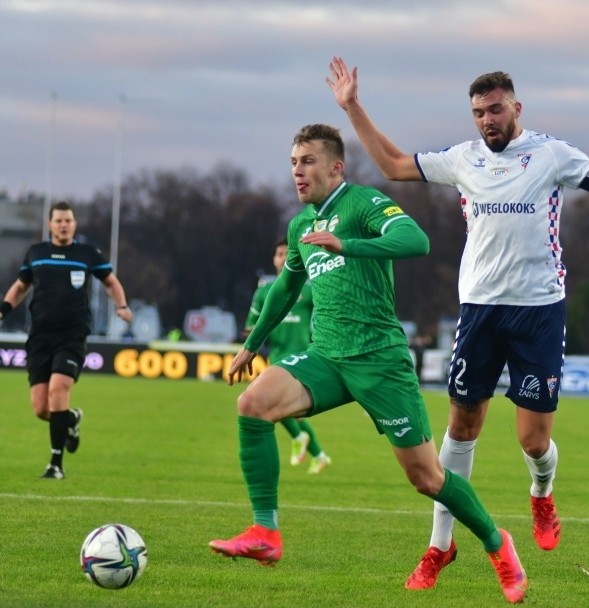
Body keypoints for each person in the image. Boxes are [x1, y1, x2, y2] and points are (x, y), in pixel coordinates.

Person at [326, 56, 589, 587]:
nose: (486, 120)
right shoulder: (463, 159)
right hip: (480, 311)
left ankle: (541, 494)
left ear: (516, 107)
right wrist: (352, 106)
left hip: (539, 311)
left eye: (494, 110)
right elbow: (394, 165)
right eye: (477, 113)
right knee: (461, 429)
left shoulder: (552, 155)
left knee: (533, 442)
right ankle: (438, 546)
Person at [209, 124, 528, 604]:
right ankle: (265, 532)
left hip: (380, 361)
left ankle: (495, 542)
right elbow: (285, 289)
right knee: (253, 403)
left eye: (308, 161)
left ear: (336, 166)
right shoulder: (301, 227)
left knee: (427, 478)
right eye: (293, 162)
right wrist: (252, 344)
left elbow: (415, 240)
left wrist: (350, 245)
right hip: (327, 356)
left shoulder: (361, 202)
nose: (298, 170)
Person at [0, 201, 133, 479]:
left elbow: (111, 281)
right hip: (40, 337)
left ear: (74, 224)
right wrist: (4, 308)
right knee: (41, 408)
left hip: (72, 335)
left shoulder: (87, 253)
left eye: (68, 220)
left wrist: (121, 305)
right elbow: (22, 285)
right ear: (49, 224)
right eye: (58, 220)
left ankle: (55, 464)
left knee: (59, 389)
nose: (63, 225)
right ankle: (70, 419)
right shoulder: (36, 253)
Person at [245, 236, 331, 474]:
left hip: (300, 357)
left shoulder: (310, 289)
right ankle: (318, 453)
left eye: (286, 253)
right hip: (277, 356)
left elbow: (328, 314)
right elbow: (251, 325)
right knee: (282, 408)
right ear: (273, 259)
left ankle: (300, 439)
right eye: (279, 254)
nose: (282, 258)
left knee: (276, 405)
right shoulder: (264, 292)